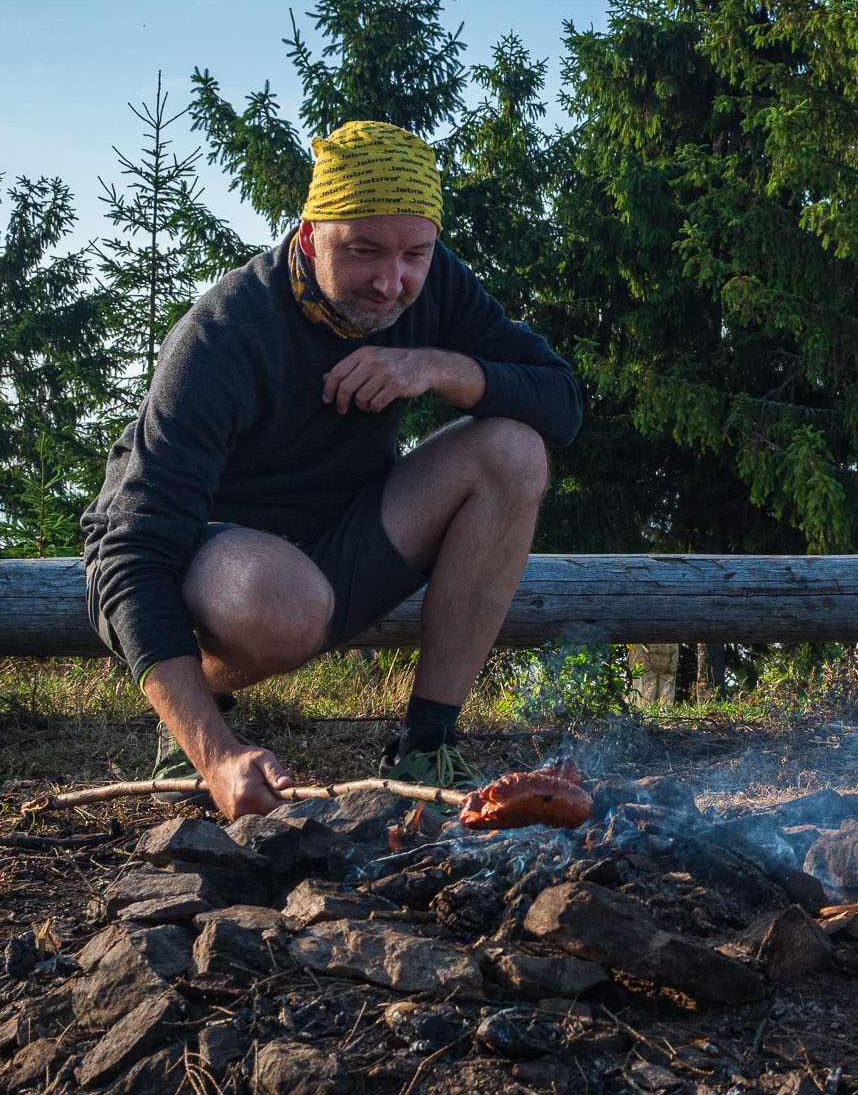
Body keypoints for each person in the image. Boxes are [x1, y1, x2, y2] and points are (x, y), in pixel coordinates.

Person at [81, 120, 581, 820]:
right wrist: (214, 753)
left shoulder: (432, 288)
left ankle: (428, 740)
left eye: (415, 253)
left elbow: (560, 404)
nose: (391, 282)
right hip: (219, 560)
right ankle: (187, 721)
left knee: (514, 450)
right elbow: (129, 550)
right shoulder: (222, 337)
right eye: (364, 250)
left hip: (345, 536)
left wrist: (435, 365)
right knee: (288, 603)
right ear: (311, 230)